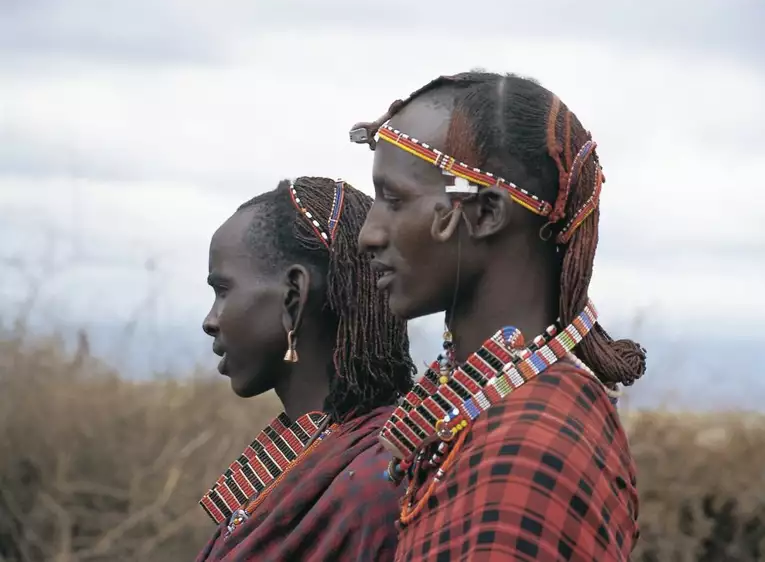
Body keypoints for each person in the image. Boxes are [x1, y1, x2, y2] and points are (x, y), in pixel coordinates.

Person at [349, 72, 646, 561]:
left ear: (485, 213)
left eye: (395, 200)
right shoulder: (485, 413)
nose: (369, 235)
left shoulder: (533, 447)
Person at [196, 176, 416, 562]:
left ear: (294, 297)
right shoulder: (314, 453)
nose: (210, 320)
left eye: (223, 290)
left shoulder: (377, 483)